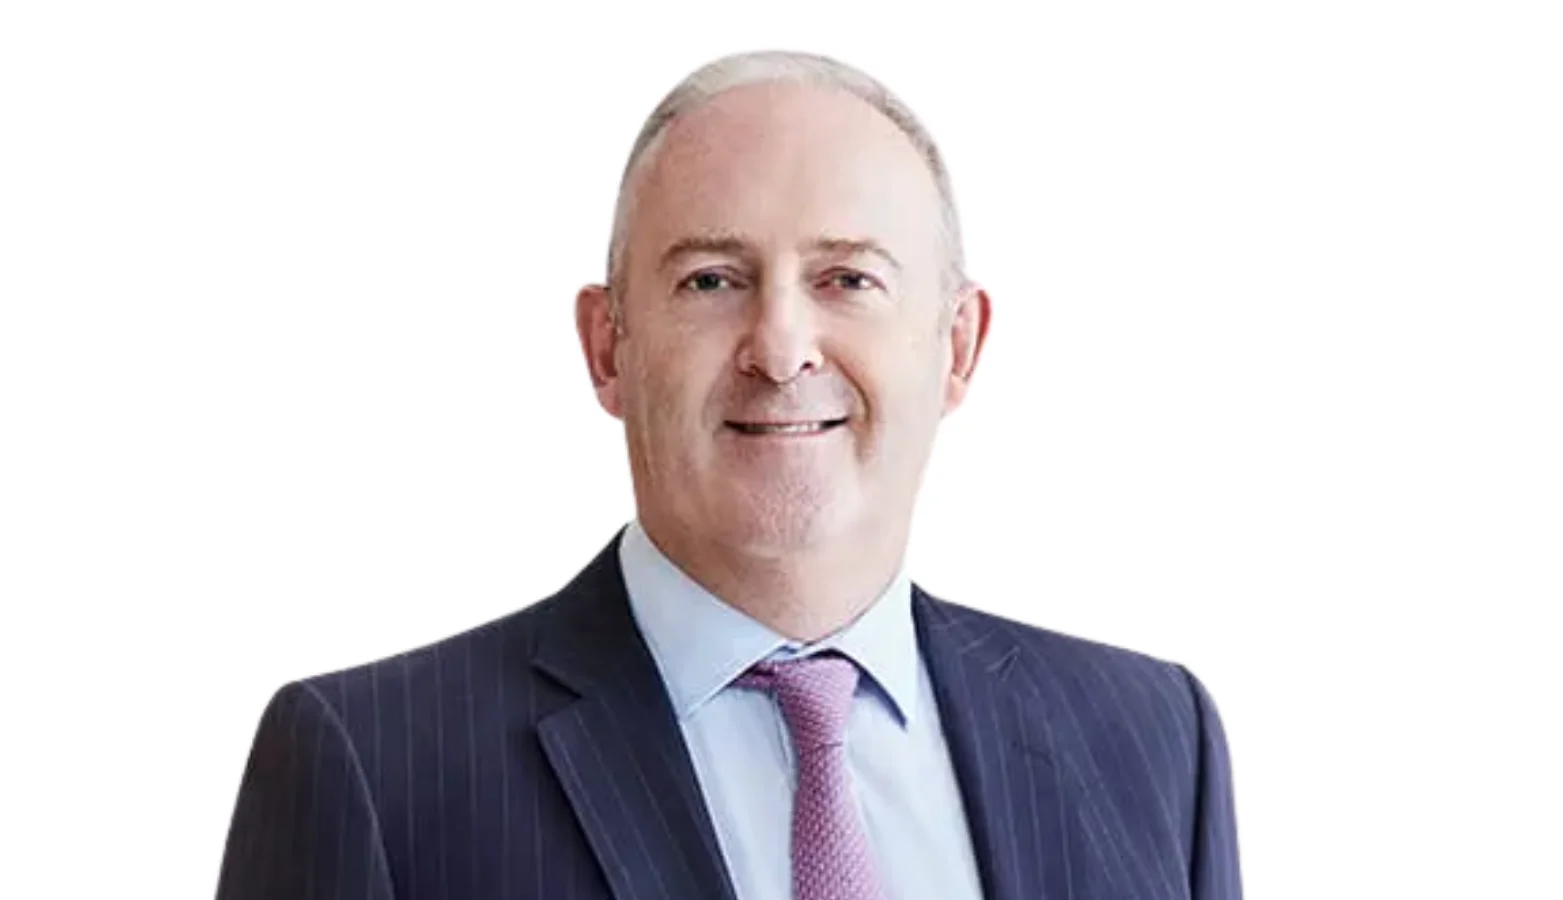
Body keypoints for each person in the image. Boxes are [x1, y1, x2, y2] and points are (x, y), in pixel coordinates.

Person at [215, 49, 1243, 900]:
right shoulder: (375, 770)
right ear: (608, 347)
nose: (781, 347)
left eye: (847, 278)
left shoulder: (1155, 742)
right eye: (711, 280)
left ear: (958, 346)